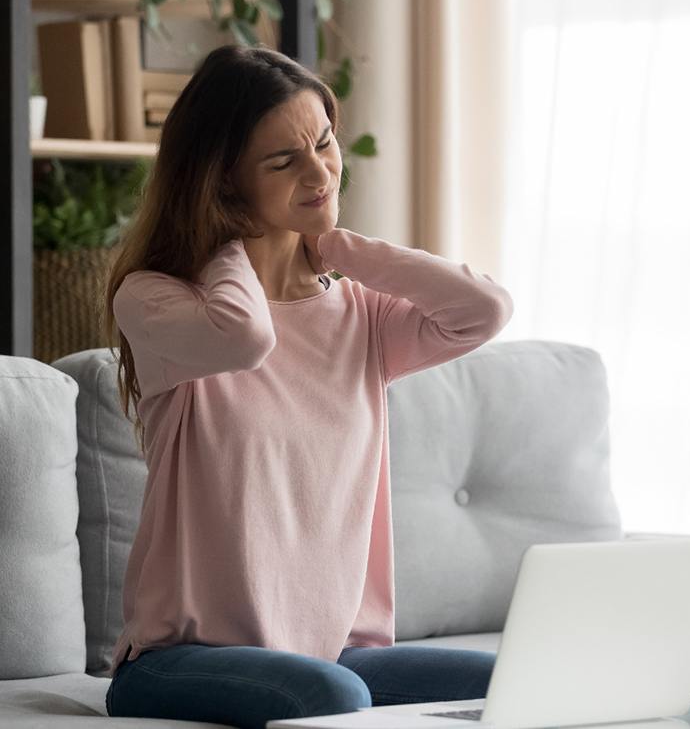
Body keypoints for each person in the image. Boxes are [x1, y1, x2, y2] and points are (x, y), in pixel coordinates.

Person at [101, 43, 514, 729]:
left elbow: (484, 310)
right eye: (283, 161)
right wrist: (234, 242)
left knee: (515, 678)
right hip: (178, 661)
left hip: (335, 656)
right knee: (335, 701)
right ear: (225, 183)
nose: (320, 171)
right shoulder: (157, 301)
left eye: (323, 144)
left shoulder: (363, 318)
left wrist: (338, 245)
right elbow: (245, 337)